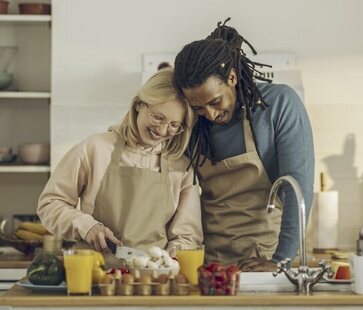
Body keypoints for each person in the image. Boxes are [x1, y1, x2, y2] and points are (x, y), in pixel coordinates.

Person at [173, 18, 314, 271]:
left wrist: (281, 261)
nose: (210, 114)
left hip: (265, 259)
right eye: (198, 107)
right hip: (208, 262)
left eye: (215, 101)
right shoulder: (193, 122)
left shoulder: (278, 105)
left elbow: (298, 186)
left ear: (232, 77)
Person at [37, 68, 203, 264]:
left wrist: (172, 258)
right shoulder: (95, 149)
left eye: (174, 124)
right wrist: (86, 225)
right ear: (140, 104)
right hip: (95, 275)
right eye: (158, 117)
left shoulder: (181, 167)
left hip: (152, 281)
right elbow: (50, 204)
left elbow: (187, 236)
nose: (162, 130)